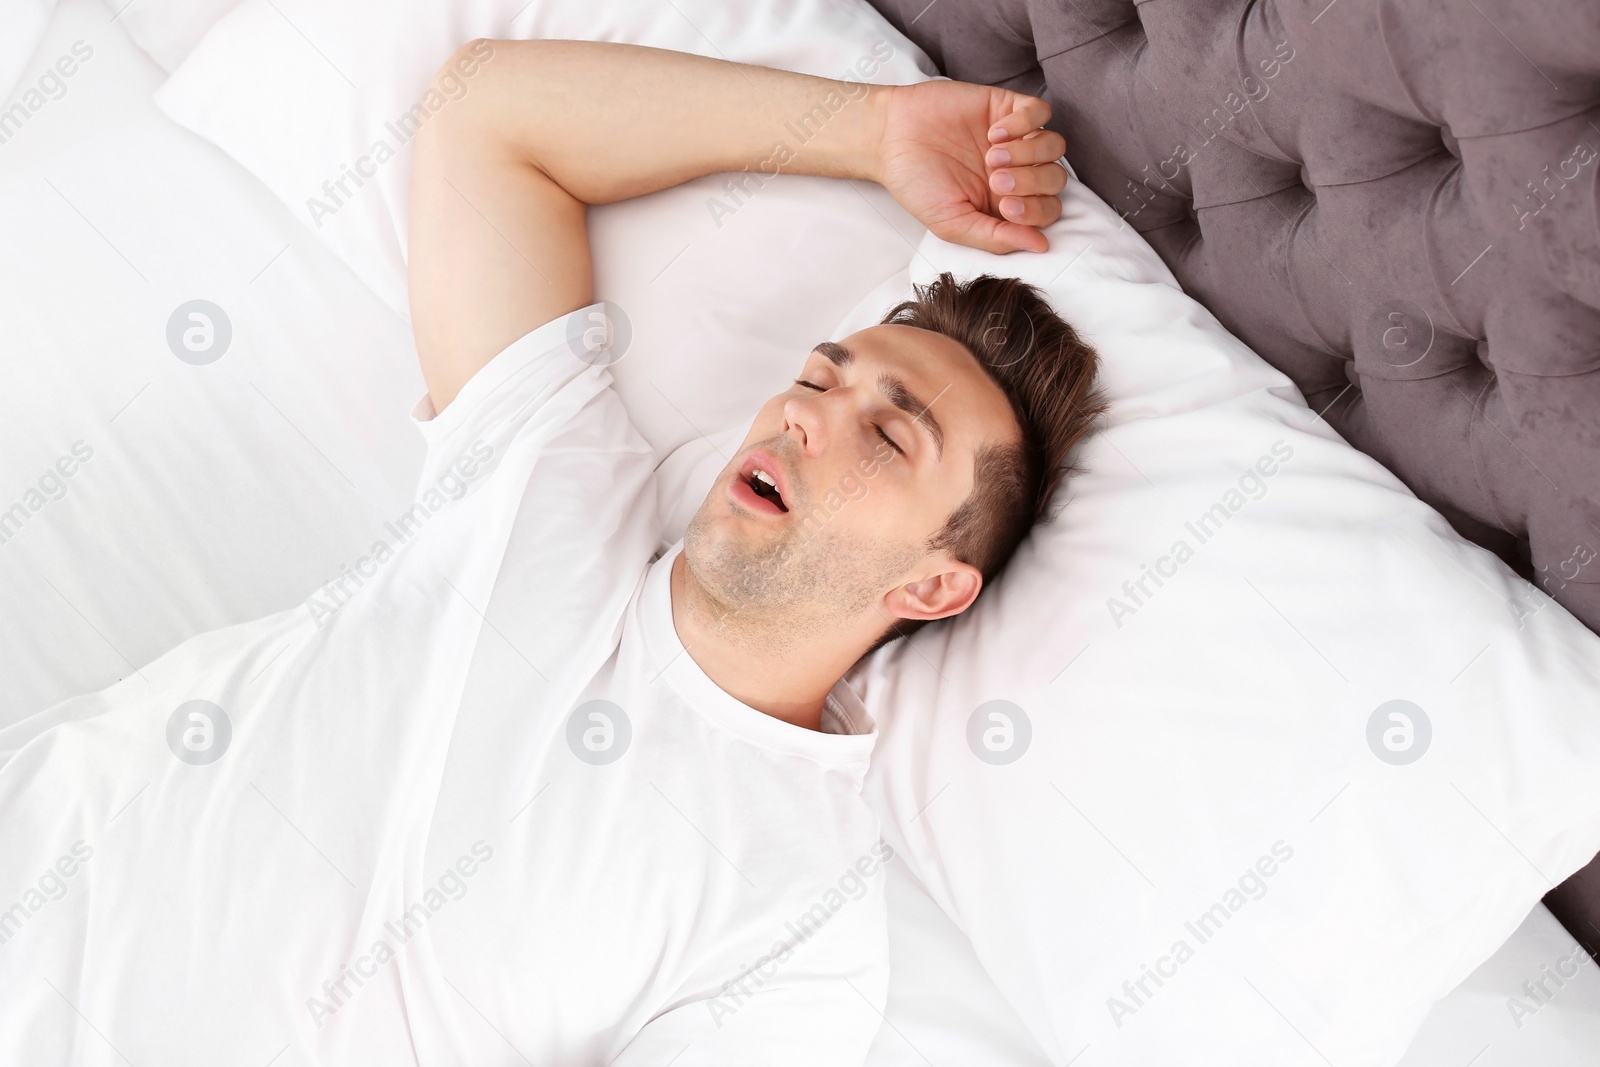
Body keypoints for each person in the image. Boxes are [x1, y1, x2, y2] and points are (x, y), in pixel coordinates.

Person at [0, 38, 1103, 1066]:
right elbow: (492, 115)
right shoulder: (549, 488)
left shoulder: (798, 921)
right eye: (819, 377)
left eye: (887, 432)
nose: (804, 416)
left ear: (931, 582)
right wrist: (872, 132)